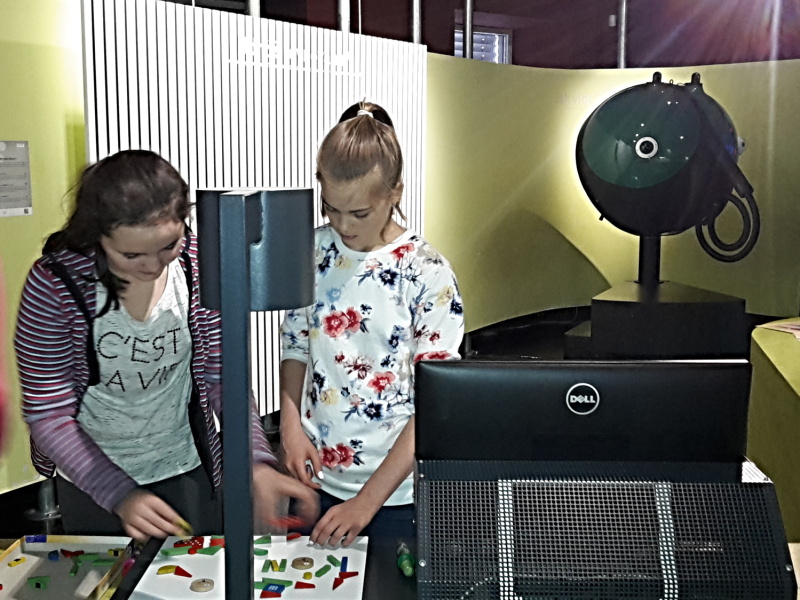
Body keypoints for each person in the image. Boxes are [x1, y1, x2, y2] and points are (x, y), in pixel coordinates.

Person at [14, 150, 317, 542]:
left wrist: (256, 460)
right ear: (98, 235)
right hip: (90, 476)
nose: (153, 266)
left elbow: (222, 379)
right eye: (131, 255)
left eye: (167, 246)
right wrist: (119, 493)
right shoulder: (56, 284)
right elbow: (48, 412)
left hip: (186, 465)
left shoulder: (197, 263)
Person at [279, 101, 464, 547]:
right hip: (315, 476)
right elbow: (296, 343)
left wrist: (365, 503)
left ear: (394, 193)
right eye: (331, 209)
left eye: (359, 213)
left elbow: (434, 400)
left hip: (395, 494)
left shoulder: (427, 272)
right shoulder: (312, 251)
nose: (342, 225)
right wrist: (289, 428)